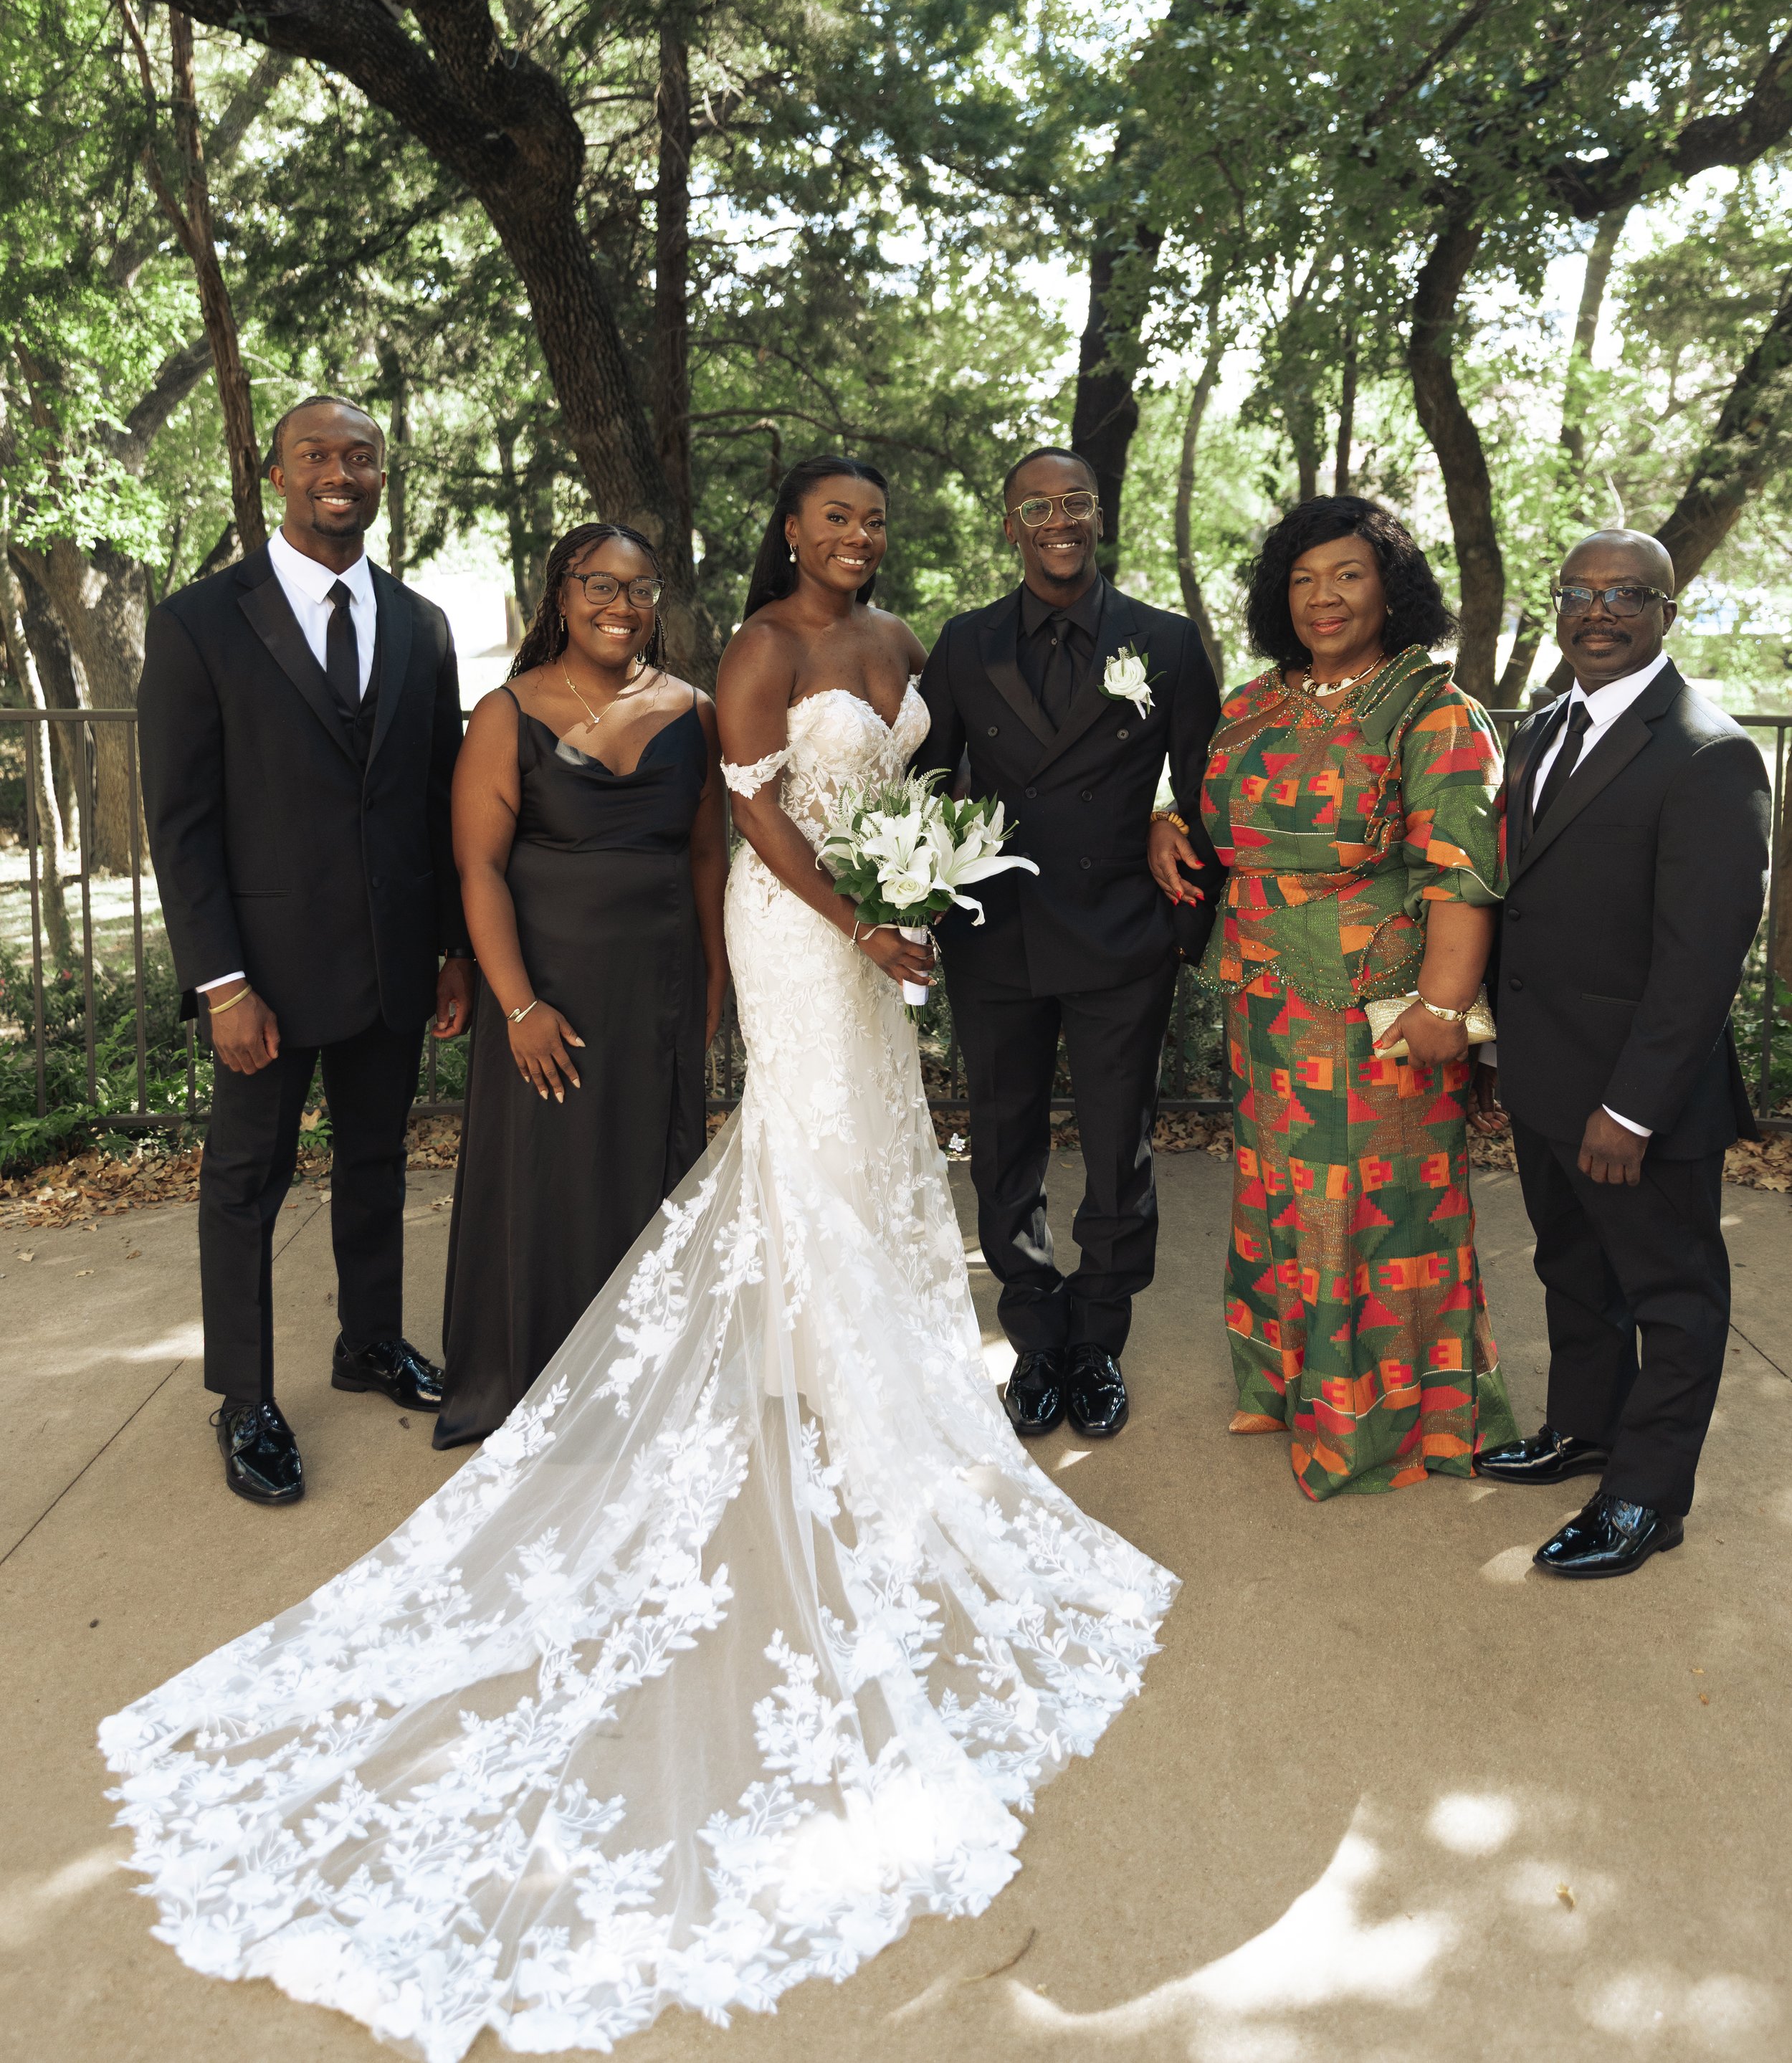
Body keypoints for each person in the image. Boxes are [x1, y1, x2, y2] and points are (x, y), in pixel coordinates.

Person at [101, 453, 1175, 2059]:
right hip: (795, 935)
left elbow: (897, 798)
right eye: (830, 518)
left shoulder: (901, 649)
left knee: (866, 1161)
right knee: (785, 1160)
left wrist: (928, 894)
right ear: (785, 536)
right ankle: (312, 1386)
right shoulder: (736, 654)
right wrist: (846, 927)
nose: (854, 538)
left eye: (872, 520)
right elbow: (738, 823)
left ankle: (854, 1376)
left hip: (839, 946)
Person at [138, 394, 473, 1506]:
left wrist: (453, 953)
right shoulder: (198, 623)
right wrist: (220, 979)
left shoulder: (421, 623)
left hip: (389, 965)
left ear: (384, 475)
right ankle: (244, 1398)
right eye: (316, 454)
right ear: (273, 471)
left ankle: (370, 1343)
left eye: (360, 456)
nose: (340, 471)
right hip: (263, 978)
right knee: (246, 1183)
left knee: (376, 1167)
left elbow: (436, 801)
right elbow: (180, 820)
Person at [1155, 495, 1517, 1501]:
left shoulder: (1433, 709)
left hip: (1382, 1016)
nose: (1324, 597)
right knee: (1280, 1204)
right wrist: (1162, 821)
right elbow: (1213, 813)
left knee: (1378, 1219)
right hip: (1266, 1010)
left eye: (1349, 575)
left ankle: (1390, 1425)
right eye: (1305, 578)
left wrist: (1445, 1009)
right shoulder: (1256, 703)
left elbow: (1463, 873)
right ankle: (1287, 1390)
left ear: (1391, 589)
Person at [1475, 531, 1770, 1578]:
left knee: (1674, 1296)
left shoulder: (1710, 752)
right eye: (1579, 593)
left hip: (1636, 1098)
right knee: (1572, 1269)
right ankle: (1584, 1428)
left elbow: (1701, 961)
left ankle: (1647, 1494)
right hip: (1548, 1077)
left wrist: (1635, 1107)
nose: (1598, 612)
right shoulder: (1545, 725)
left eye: (1627, 595)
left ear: (1666, 614)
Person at [915, 448, 1220, 1441]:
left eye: (1075, 502)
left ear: (1099, 516)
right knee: (1004, 1142)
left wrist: (1174, 888)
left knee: (1118, 1146)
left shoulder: (1166, 642)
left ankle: (1098, 1337)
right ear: (1010, 525)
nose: (1058, 519)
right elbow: (927, 782)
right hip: (996, 936)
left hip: (1119, 934)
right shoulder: (963, 643)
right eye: (1035, 505)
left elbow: (1209, 791)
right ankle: (1035, 1337)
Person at [432, 524, 728, 1449]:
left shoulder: (697, 710)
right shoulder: (504, 711)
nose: (621, 604)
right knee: (548, 1181)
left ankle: (641, 1378)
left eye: (640, 589)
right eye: (599, 584)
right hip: (546, 990)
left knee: (649, 1175)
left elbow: (708, 855)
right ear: (560, 594)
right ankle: (534, 1380)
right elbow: (478, 869)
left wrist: (715, 986)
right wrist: (517, 1004)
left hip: (661, 989)